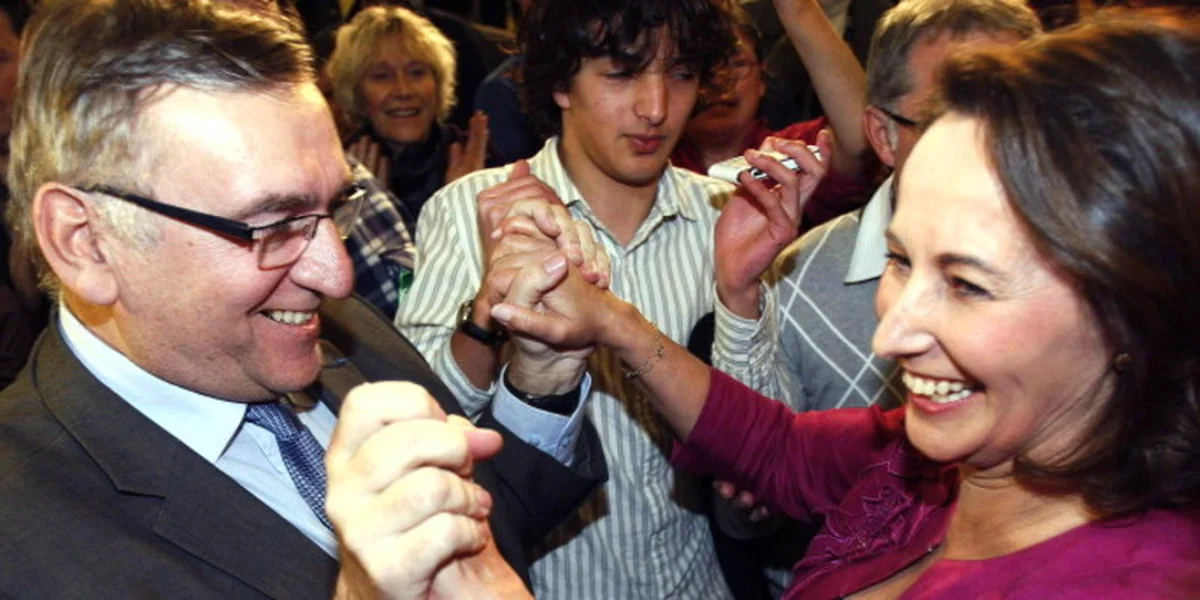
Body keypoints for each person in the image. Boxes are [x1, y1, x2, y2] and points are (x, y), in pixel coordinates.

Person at [491, 8, 1200, 598]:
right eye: (900, 259)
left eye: (966, 284)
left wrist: (481, 582)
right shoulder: (935, 454)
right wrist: (609, 319)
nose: (891, 333)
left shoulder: (1136, 581)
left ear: (1128, 314)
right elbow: (773, 446)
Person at [0, 0, 606, 597]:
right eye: (273, 224)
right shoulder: (21, 537)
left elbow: (480, 534)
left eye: (334, 206)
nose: (336, 276)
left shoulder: (328, 327)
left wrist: (541, 380)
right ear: (85, 242)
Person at [394, 0, 827, 596]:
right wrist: (490, 311)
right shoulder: (474, 209)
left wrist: (739, 294)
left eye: (680, 74)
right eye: (622, 74)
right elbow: (416, 432)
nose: (656, 108)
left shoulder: (725, 216)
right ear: (561, 83)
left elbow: (771, 476)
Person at [727, 0, 1041, 416]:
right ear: (882, 134)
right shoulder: (793, 282)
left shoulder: (1079, 263)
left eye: (1017, 118)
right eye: (949, 123)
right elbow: (759, 447)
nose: (991, 147)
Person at [672, 0, 874, 230]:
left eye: (738, 64)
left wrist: (797, 7)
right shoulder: (654, 157)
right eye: (703, 67)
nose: (720, 83)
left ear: (762, 80)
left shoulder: (791, 152)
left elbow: (859, 135)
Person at [326, 4, 489, 234]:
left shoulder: (478, 160)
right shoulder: (334, 175)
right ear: (355, 91)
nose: (403, 90)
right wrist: (366, 218)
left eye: (417, 73)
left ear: (439, 83)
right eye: (382, 76)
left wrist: (462, 208)